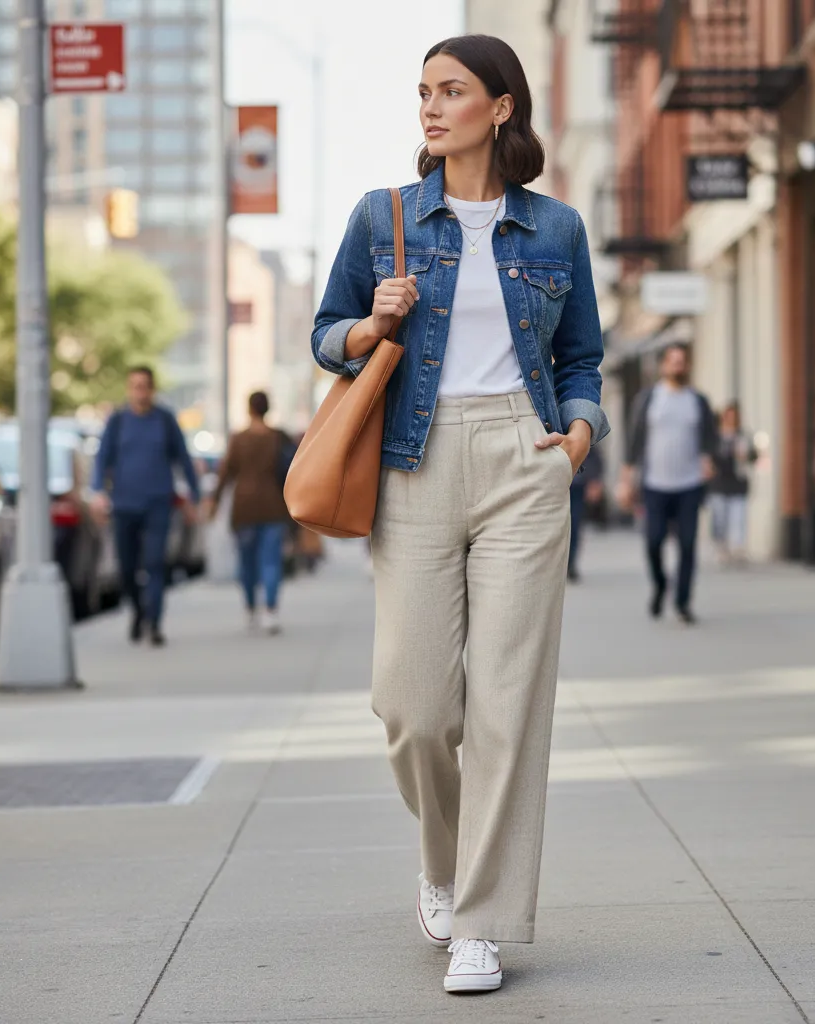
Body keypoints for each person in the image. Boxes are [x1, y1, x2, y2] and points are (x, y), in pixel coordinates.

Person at [312, 34, 607, 994]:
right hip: (415, 458)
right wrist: (371, 323)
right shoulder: (385, 215)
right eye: (424, 92)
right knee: (414, 706)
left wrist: (578, 435)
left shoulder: (557, 227)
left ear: (501, 106)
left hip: (524, 456)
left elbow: (581, 357)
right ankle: (442, 864)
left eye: (452, 91)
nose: (431, 108)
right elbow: (325, 335)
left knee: (509, 703)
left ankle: (483, 923)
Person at [91, 366, 200, 646]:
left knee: (155, 564)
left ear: (152, 389)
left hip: (158, 503)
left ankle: (154, 622)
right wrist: (98, 492)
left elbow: (183, 458)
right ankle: (139, 610)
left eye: (144, 386)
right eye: (135, 386)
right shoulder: (118, 421)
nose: (140, 392)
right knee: (126, 569)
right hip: (124, 505)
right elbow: (102, 459)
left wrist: (194, 496)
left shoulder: (164, 420)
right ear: (129, 390)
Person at [617, 344, 717, 624]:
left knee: (687, 545)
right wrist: (626, 482)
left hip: (689, 484)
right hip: (655, 485)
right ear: (663, 366)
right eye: (672, 361)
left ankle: (683, 602)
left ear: (687, 366)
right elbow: (634, 443)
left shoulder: (698, 401)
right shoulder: (649, 399)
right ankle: (661, 584)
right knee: (653, 541)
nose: (677, 366)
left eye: (681, 361)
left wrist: (708, 460)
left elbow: (710, 439)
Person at [208, 391, 296, 635]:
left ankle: (249, 607)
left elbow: (226, 473)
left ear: (249, 409)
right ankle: (270, 610)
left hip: (244, 508)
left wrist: (214, 501)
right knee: (271, 561)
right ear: (268, 409)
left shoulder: (239, 439)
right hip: (273, 506)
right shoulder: (279, 438)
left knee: (246, 562)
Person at [709, 401, 757, 565]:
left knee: (738, 518)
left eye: (734, 417)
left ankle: (738, 548)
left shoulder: (743, 436)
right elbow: (709, 457)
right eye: (729, 416)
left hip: (738, 484)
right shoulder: (715, 438)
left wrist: (746, 455)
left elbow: (754, 456)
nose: (731, 420)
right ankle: (721, 548)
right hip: (719, 484)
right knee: (720, 519)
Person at [567, 444, 604, 582]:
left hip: (577, 484)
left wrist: (594, 480)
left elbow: (592, 450)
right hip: (553, 481)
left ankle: (570, 562)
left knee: (574, 525)